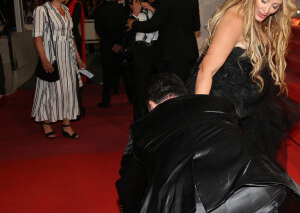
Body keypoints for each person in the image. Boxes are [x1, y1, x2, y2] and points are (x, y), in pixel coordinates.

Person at [116, 73, 300, 213]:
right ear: (184, 94)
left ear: (151, 105)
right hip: (263, 186)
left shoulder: (142, 127)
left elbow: (129, 187)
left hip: (204, 204)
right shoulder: (220, 105)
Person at [190, 0, 296, 160]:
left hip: (251, 107)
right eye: (264, 0)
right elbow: (206, 70)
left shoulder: (263, 21)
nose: (266, 10)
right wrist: (201, 122)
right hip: (226, 109)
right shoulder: (236, 19)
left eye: (275, 6)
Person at [127, 0, 200, 82]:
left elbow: (154, 24)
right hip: (190, 52)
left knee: (174, 88)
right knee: (188, 87)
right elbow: (196, 26)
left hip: (173, 54)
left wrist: (134, 24)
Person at [31, 0, 85, 139]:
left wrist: (78, 57)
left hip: (68, 58)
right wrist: (44, 59)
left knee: (68, 91)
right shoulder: (42, 10)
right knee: (50, 91)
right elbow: (37, 37)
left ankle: (66, 124)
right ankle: (46, 122)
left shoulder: (66, 10)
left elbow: (70, 36)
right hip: (52, 57)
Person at [94, 0, 127, 108]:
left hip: (106, 47)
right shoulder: (122, 9)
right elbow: (125, 28)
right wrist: (119, 44)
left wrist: (111, 44)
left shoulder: (99, 10)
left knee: (107, 73)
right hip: (120, 46)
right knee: (124, 71)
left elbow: (99, 30)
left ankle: (106, 100)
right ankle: (130, 98)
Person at [131, 0, 159, 120]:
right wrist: (134, 14)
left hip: (155, 51)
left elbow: (163, 21)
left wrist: (151, 8)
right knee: (141, 89)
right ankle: (140, 120)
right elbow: (127, 29)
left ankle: (154, 118)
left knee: (155, 89)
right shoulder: (132, 6)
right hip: (140, 51)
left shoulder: (158, 8)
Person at [64, 0, 86, 119]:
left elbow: (73, 24)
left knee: (74, 77)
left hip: (72, 42)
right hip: (61, 45)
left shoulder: (75, 5)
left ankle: (77, 108)